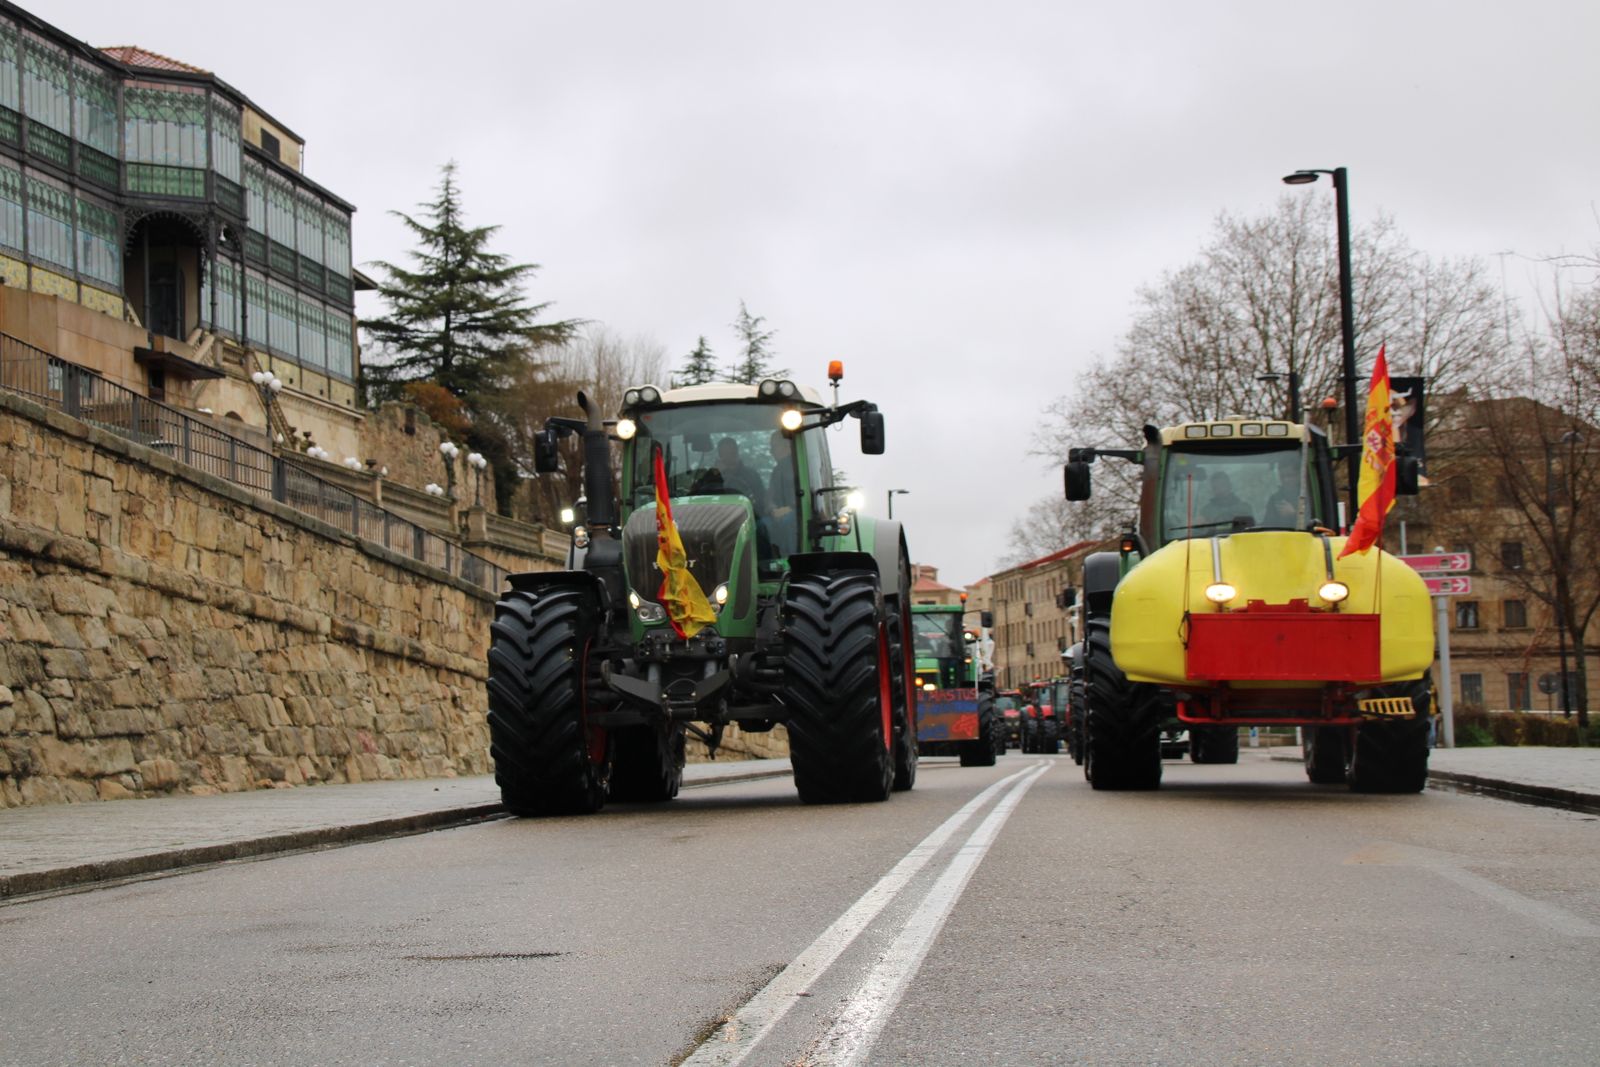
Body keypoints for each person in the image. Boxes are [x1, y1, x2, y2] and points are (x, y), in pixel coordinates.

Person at [708, 437, 766, 506]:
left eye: (732, 451)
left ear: (736, 451)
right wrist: (716, 474)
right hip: (717, 514)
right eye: (726, 452)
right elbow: (703, 496)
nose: (730, 454)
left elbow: (761, 500)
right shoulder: (712, 476)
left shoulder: (752, 475)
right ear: (720, 455)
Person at [1265, 462, 1304, 528]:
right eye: (1282, 476)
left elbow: (1312, 524)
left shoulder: (1307, 495)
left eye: (1290, 475)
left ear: (1299, 476)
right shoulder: (1275, 499)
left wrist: (1293, 513)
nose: (1286, 480)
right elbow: (1267, 524)